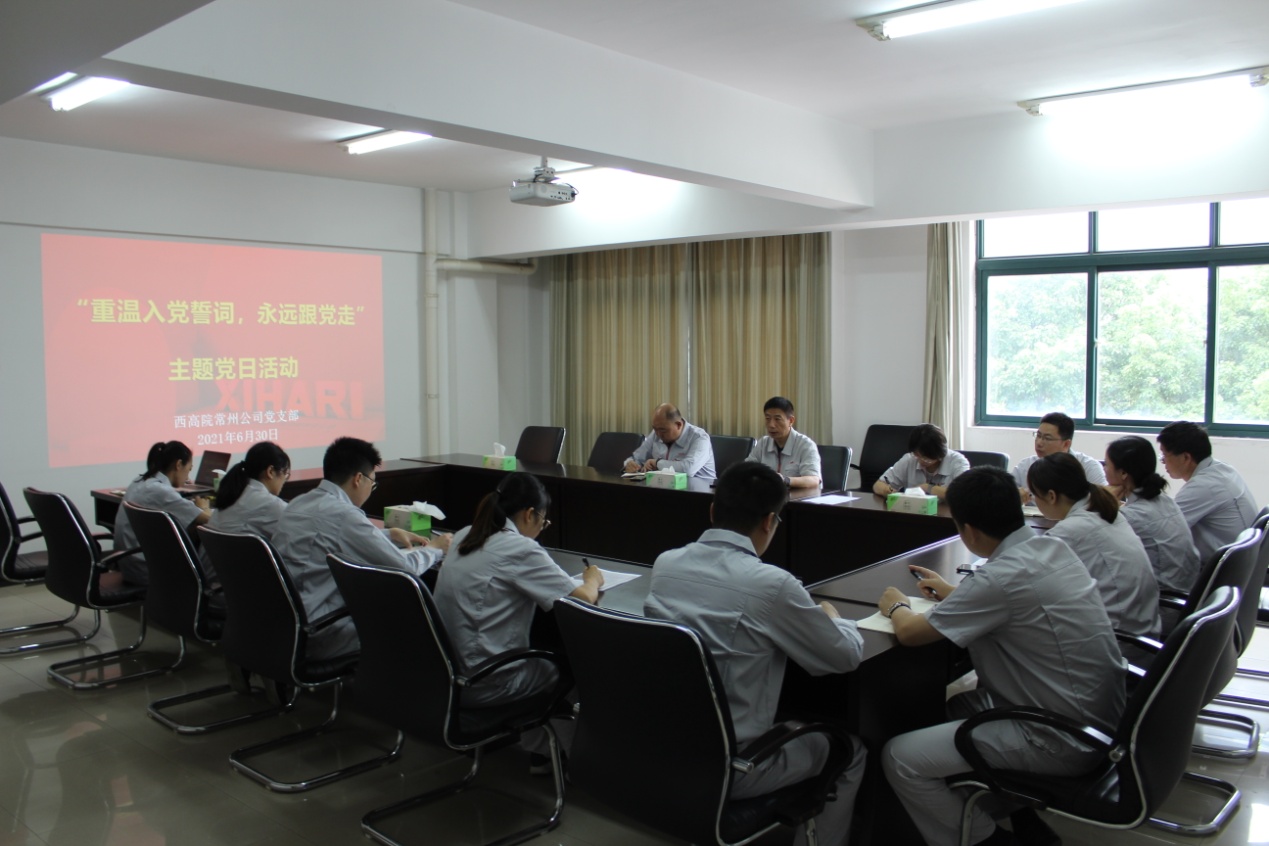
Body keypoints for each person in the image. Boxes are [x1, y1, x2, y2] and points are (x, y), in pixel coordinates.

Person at [879, 467, 1126, 846]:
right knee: (959, 706)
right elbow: (1007, 600)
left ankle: (987, 839)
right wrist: (953, 592)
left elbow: (911, 633)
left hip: (1062, 739)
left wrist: (897, 606)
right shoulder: (1051, 548)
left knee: (900, 757)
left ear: (969, 531)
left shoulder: (1000, 578)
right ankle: (1017, 811)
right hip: (1100, 721)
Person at [644, 462, 866, 846]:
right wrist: (835, 619)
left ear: (712, 511)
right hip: (733, 766)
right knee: (852, 751)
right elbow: (844, 657)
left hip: (661, 748)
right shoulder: (771, 585)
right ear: (769, 522)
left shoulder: (666, 563)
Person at [270, 437, 450, 659]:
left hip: (282, 626)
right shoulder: (344, 515)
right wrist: (436, 549)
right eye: (372, 483)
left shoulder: (299, 502)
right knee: (408, 617)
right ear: (358, 479)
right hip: (317, 630)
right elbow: (404, 569)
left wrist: (390, 534)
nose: (371, 490)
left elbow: (333, 535)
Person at [435, 472, 602, 706]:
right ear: (529, 514)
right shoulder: (521, 549)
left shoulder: (465, 534)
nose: (541, 529)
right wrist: (593, 580)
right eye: (543, 522)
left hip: (444, 677)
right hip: (487, 683)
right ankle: (553, 729)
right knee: (571, 666)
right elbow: (582, 599)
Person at [1028, 453, 1161, 637]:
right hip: (1141, 629)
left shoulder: (1069, 532)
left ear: (1051, 496)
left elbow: (1030, 586)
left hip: (1120, 639)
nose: (1034, 500)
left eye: (1034, 495)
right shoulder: (1104, 510)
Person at [1104, 435, 1201, 594]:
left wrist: (1103, 502)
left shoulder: (1131, 517)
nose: (1104, 469)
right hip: (1186, 591)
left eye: (1107, 464)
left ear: (1123, 473)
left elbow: (1090, 539)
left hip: (1163, 600)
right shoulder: (1164, 500)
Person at [1157, 421, 1259, 564]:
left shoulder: (1205, 486)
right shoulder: (1221, 469)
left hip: (1222, 568)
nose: (1162, 462)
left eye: (1164, 455)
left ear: (1186, 457)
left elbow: (1162, 528)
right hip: (1242, 565)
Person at [113, 440, 211, 586]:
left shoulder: (140, 481)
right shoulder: (161, 491)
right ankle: (203, 588)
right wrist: (204, 508)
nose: (188, 478)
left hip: (131, 564)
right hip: (147, 569)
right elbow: (208, 519)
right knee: (209, 535)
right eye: (189, 470)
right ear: (178, 465)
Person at [201, 441, 292, 584]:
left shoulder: (234, 493)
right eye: (286, 474)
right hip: (235, 588)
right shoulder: (270, 505)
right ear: (270, 471)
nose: (285, 481)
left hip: (216, 583)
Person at [1012, 411, 1106, 503]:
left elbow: (1104, 502)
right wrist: (1015, 496)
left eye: (1047, 438)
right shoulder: (1025, 467)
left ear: (1066, 444)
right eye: (1038, 435)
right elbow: (1007, 496)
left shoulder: (1089, 467)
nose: (1039, 443)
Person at [873, 423, 969, 501]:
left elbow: (962, 494)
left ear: (940, 454)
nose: (920, 461)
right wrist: (887, 490)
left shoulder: (958, 462)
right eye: (916, 455)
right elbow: (878, 485)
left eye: (926, 458)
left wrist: (927, 487)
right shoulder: (910, 459)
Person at [623, 403, 716, 480]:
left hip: (699, 491)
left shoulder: (699, 438)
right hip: (667, 488)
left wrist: (657, 463)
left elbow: (688, 469)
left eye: (663, 430)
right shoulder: (656, 432)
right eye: (655, 429)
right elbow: (637, 458)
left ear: (678, 425)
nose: (658, 434)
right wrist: (629, 464)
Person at [745, 396, 822, 488]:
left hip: (798, 495)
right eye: (767, 418)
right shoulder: (763, 443)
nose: (771, 425)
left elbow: (814, 480)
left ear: (791, 421)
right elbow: (746, 470)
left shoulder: (806, 445)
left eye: (777, 419)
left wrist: (785, 480)